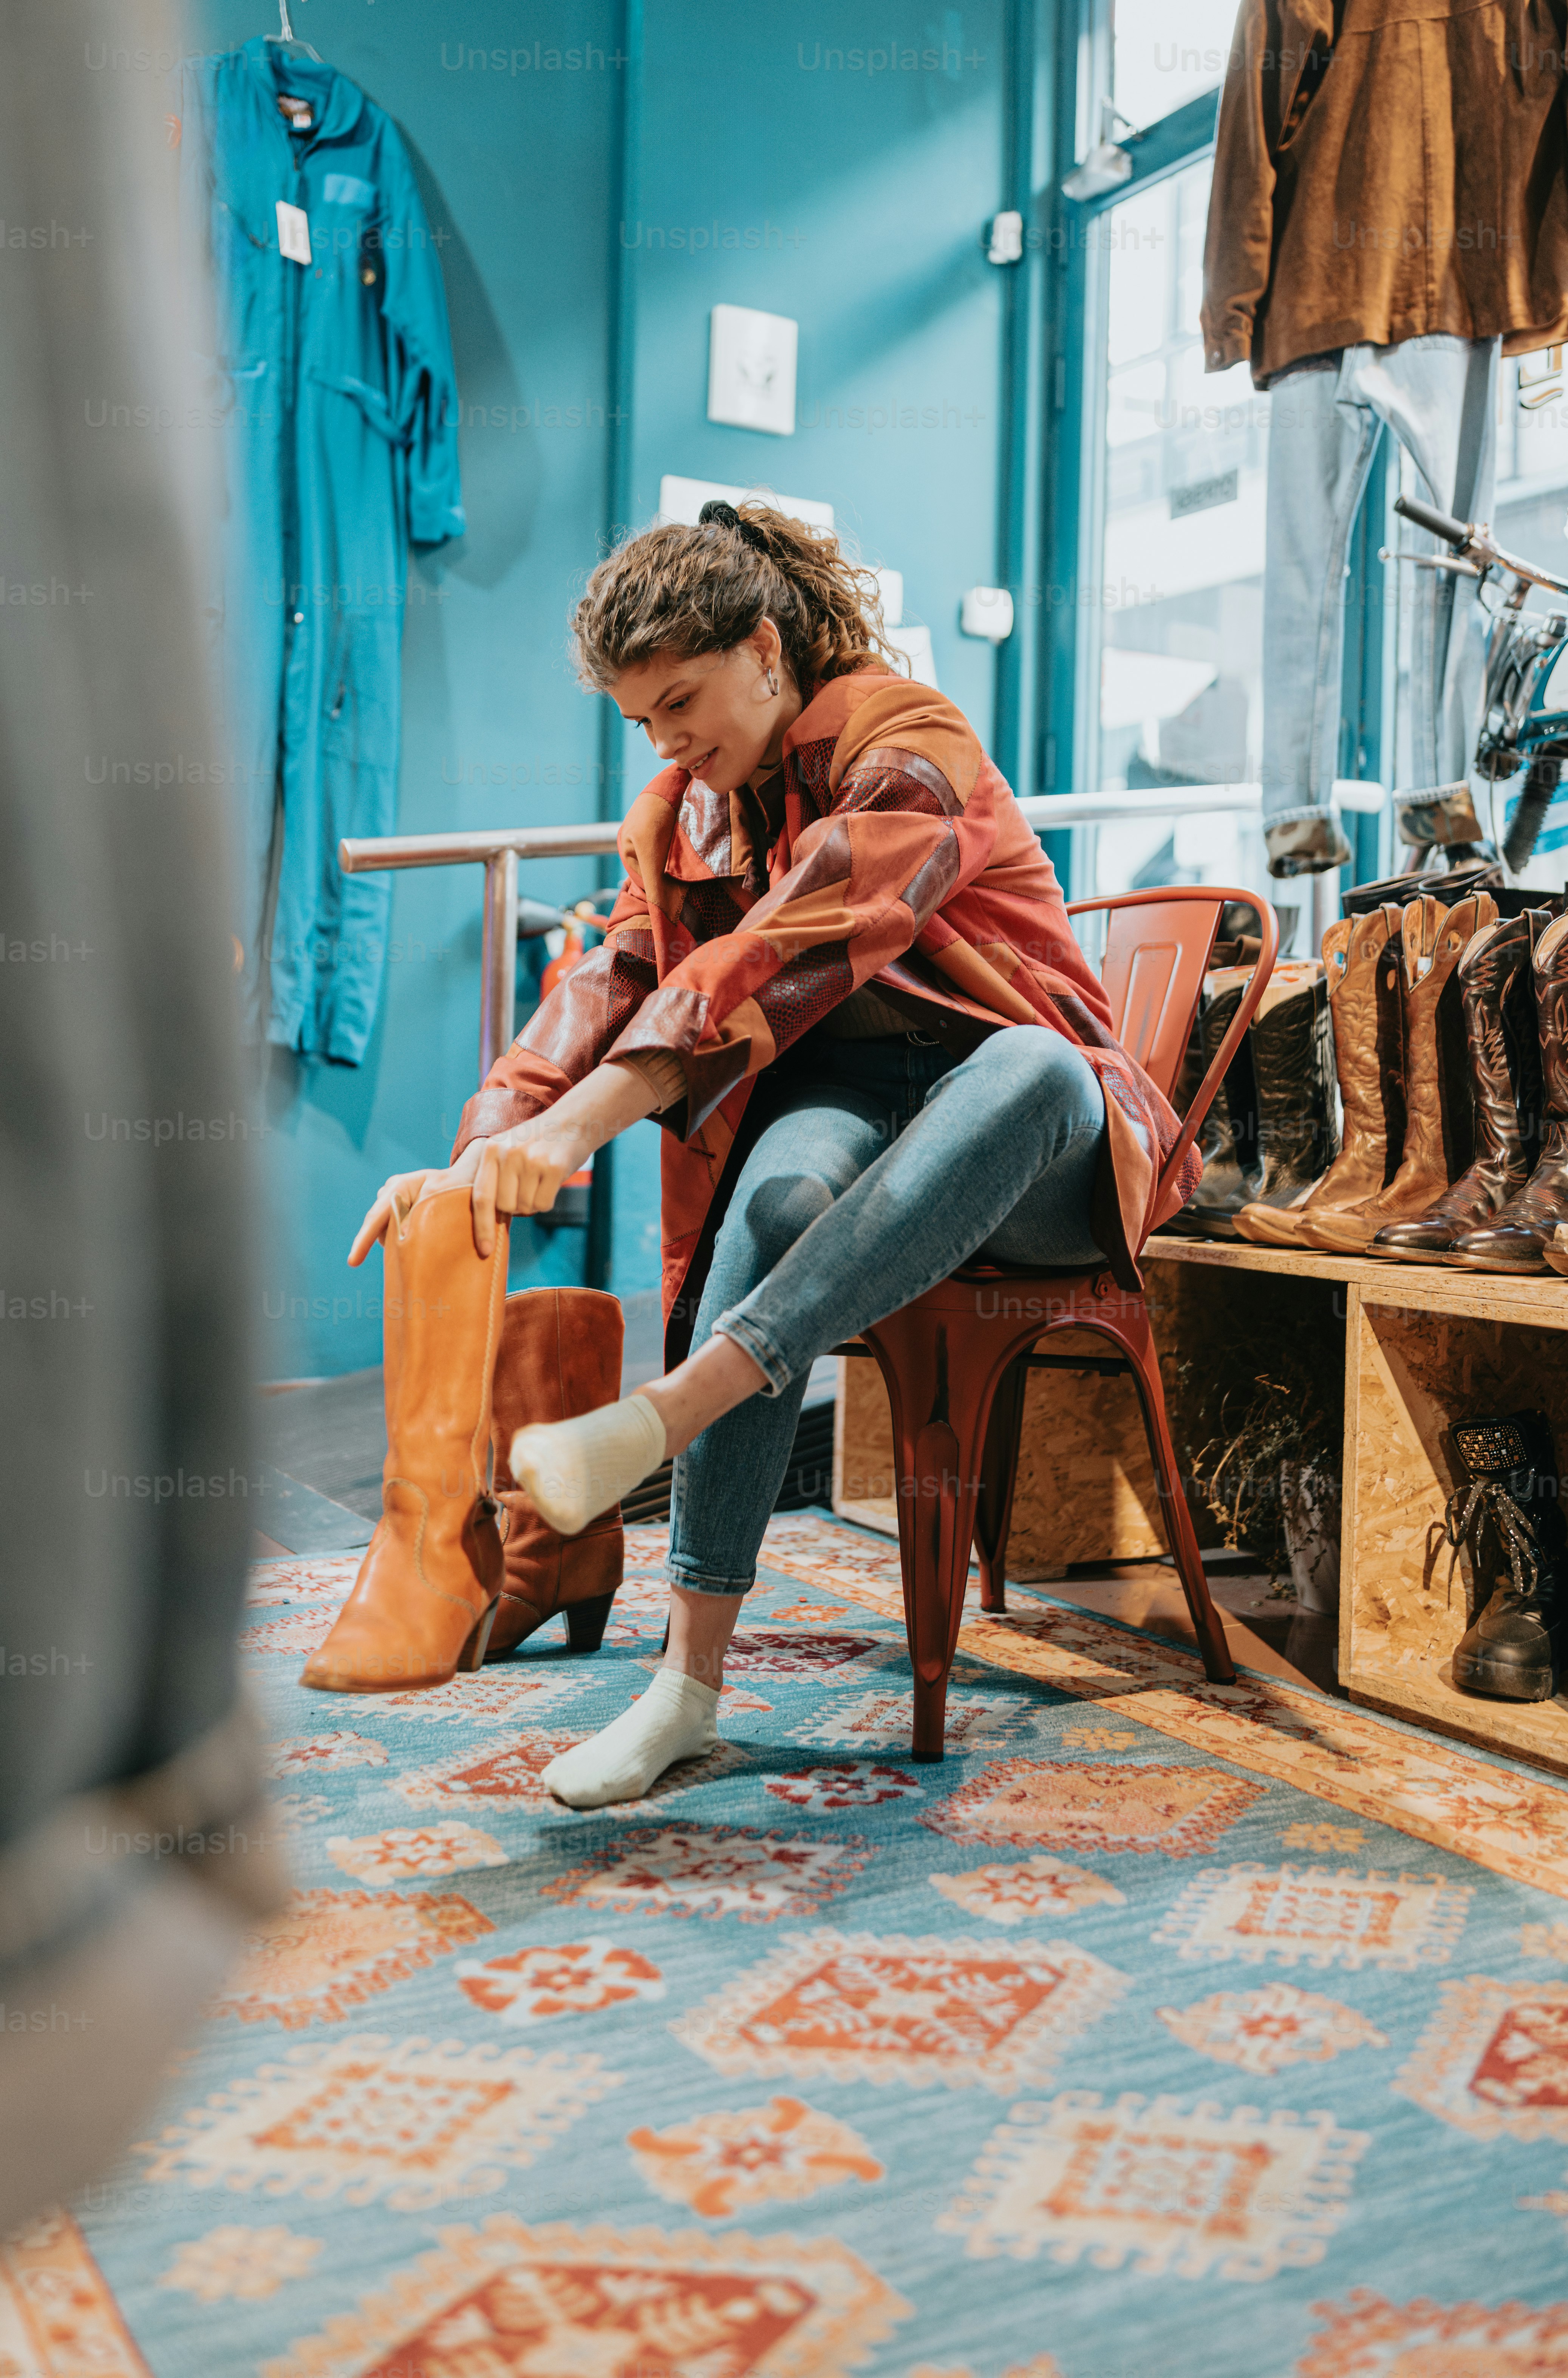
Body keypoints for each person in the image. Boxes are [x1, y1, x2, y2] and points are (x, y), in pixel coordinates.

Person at [303, 499, 1198, 1804]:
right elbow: (601, 988)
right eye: (641, 722)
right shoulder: (680, 818)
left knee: (1032, 1065)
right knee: (774, 1205)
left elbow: (799, 934)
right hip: (861, 1128)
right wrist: (488, 1145)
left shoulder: (909, 738)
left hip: (1039, 1150)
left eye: (683, 702)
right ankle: (685, 1694)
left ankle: (660, 1421)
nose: (666, 744)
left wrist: (584, 1127)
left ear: (769, 653)